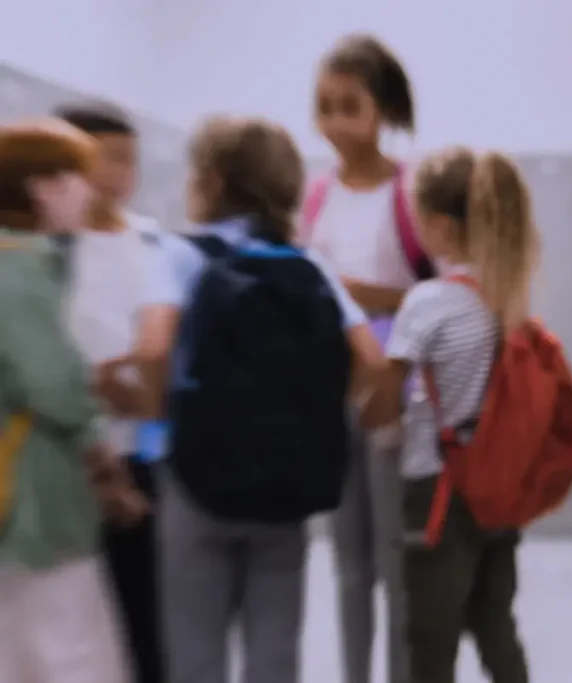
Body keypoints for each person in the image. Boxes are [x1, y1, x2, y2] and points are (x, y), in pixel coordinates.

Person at [159, 115, 383, 683]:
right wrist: (316, 412)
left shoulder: (181, 258)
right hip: (285, 487)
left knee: (196, 649)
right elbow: (372, 361)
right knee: (275, 651)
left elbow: (154, 349)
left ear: (210, 182)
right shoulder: (310, 268)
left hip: (195, 483)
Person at [363, 147, 537, 683]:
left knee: (429, 639)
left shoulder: (429, 301)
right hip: (500, 490)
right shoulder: (508, 293)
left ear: (439, 225)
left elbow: (383, 402)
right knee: (493, 622)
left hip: (439, 493)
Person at [302, 33, 433, 683]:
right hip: (332, 394)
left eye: (348, 105)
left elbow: (440, 295)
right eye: (323, 106)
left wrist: (362, 294)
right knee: (347, 564)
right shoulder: (317, 195)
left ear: (381, 110)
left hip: (396, 395)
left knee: (395, 562)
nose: (333, 122)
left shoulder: (410, 193)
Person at [0, 118, 148, 683]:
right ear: (44, 189)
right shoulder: (21, 270)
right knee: (70, 651)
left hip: (19, 499)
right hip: (36, 500)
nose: (91, 190)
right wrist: (99, 445)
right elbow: (53, 384)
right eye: (77, 177)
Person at [55, 100, 180, 683]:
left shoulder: (151, 241)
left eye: (127, 160)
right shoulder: (48, 248)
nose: (118, 174)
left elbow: (170, 340)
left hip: (141, 456)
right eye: (104, 159)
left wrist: (151, 390)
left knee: (145, 615)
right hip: (64, 460)